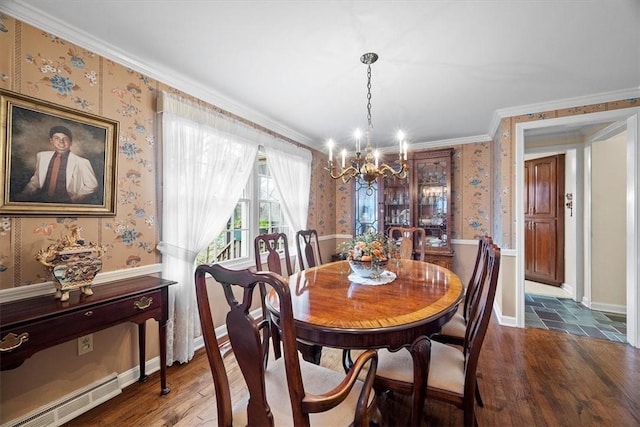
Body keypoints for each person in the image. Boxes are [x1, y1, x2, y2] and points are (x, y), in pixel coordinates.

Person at [18, 125, 98, 203]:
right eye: (56, 138)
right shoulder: (42, 156)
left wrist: (74, 199)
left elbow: (92, 185)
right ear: (51, 141)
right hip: (41, 199)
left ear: (71, 143)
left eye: (65, 139)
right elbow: (36, 180)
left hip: (65, 202)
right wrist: (25, 193)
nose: (61, 141)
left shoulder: (82, 162)